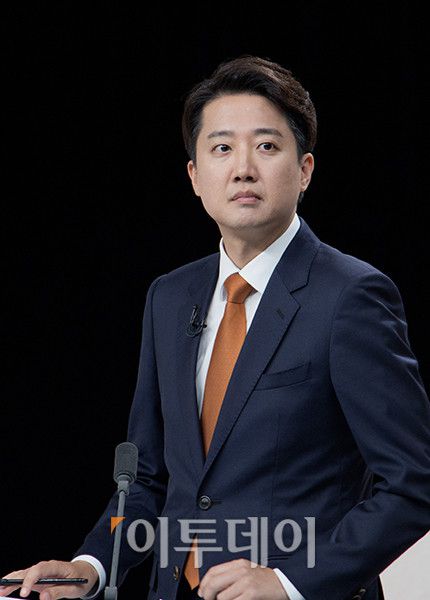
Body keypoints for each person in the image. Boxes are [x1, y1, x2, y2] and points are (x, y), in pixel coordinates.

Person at [1, 55, 429, 600]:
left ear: (305, 170)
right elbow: (149, 478)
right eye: (222, 148)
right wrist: (93, 566)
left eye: (267, 146)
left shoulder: (351, 295)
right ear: (195, 177)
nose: (243, 168)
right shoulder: (169, 296)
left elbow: (414, 484)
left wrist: (290, 582)